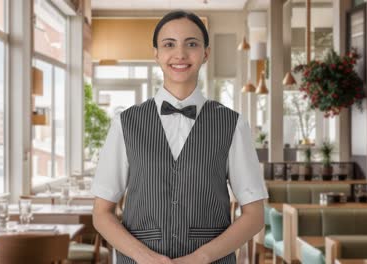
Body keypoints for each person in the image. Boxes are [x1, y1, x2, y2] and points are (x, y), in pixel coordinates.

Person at [92, 10, 268, 264]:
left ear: (206, 53)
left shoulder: (233, 124)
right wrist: (145, 257)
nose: (180, 54)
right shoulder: (125, 123)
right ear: (156, 54)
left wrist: (201, 257)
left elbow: (254, 215)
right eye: (169, 44)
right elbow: (101, 213)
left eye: (192, 44)